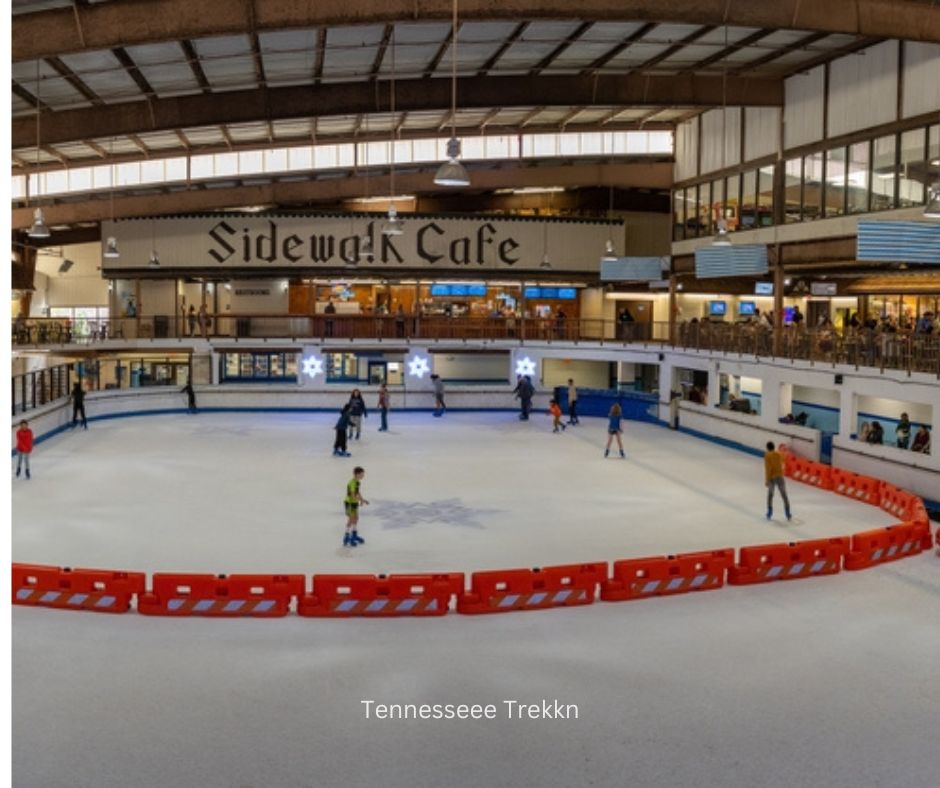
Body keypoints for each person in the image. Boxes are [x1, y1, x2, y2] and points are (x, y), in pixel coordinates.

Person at [763, 441, 792, 521]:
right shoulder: (778, 454)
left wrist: (767, 480)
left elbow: (768, 469)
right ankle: (788, 513)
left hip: (772, 478)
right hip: (780, 476)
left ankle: (769, 511)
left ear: (767, 448)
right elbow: (784, 458)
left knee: (770, 495)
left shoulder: (767, 456)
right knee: (784, 495)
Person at [342, 466, 369, 547]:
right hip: (349, 503)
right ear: (356, 474)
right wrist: (360, 500)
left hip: (354, 503)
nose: (363, 476)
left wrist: (362, 499)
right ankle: (346, 536)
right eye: (361, 474)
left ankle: (354, 534)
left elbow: (357, 492)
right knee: (351, 519)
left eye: (363, 474)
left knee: (356, 518)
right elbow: (353, 495)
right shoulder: (353, 482)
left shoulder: (357, 482)